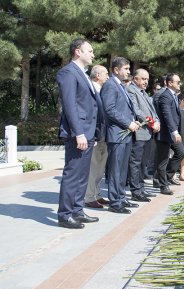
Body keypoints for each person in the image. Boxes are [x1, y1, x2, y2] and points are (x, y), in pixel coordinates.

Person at [56, 38, 99, 229]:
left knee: (83, 175)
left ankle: (77, 210)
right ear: (77, 52)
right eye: (89, 51)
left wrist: (93, 133)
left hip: (88, 133)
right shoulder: (68, 72)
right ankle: (65, 215)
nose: (93, 54)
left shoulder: (83, 74)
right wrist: (78, 133)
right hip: (78, 134)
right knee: (73, 174)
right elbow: (70, 105)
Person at [102, 57, 140, 214]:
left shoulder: (121, 86)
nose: (128, 71)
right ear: (116, 70)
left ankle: (121, 197)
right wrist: (128, 123)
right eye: (125, 68)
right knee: (115, 170)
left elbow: (125, 109)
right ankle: (115, 202)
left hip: (125, 134)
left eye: (129, 68)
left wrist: (133, 122)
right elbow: (109, 109)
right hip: (117, 134)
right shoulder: (110, 85)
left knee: (123, 170)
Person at [127, 69, 161, 202]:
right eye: (143, 79)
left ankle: (141, 188)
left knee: (143, 163)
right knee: (136, 162)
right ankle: (136, 190)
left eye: (147, 79)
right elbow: (137, 111)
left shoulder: (144, 93)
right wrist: (152, 123)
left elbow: (153, 111)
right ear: (135, 79)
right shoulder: (131, 90)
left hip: (148, 133)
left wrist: (156, 120)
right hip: (140, 132)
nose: (146, 82)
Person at [154, 73, 184, 195]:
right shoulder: (165, 96)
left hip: (171, 134)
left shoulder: (174, 96)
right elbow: (167, 115)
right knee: (163, 160)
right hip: (165, 134)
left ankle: (165, 177)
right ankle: (163, 185)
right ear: (170, 83)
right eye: (178, 82)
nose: (180, 84)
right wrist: (174, 131)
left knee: (181, 152)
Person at [84, 65, 110, 209]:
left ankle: (97, 194)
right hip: (94, 135)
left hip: (104, 135)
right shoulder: (90, 90)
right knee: (93, 167)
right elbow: (90, 115)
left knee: (100, 168)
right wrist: (92, 134)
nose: (108, 76)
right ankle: (89, 198)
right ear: (98, 75)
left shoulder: (103, 91)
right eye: (106, 73)